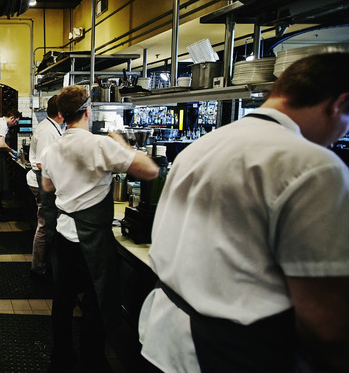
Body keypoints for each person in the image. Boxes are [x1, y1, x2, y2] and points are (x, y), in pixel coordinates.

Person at [138, 53, 349, 373]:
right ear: (338, 104)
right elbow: (323, 320)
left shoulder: (202, 146)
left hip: (164, 338)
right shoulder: (314, 165)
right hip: (231, 352)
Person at [40, 85, 159, 372]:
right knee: (95, 303)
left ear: (63, 115)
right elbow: (150, 170)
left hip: (63, 233)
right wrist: (123, 144)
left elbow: (47, 186)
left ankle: (62, 357)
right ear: (87, 112)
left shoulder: (51, 149)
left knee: (64, 299)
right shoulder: (100, 145)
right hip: (92, 238)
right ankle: (92, 362)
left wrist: (70, 183)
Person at [25, 95, 63, 279]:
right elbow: (41, 163)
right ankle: (38, 266)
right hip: (42, 181)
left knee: (46, 223)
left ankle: (43, 264)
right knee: (45, 225)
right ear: (61, 113)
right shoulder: (48, 131)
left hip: (42, 181)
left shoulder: (50, 127)